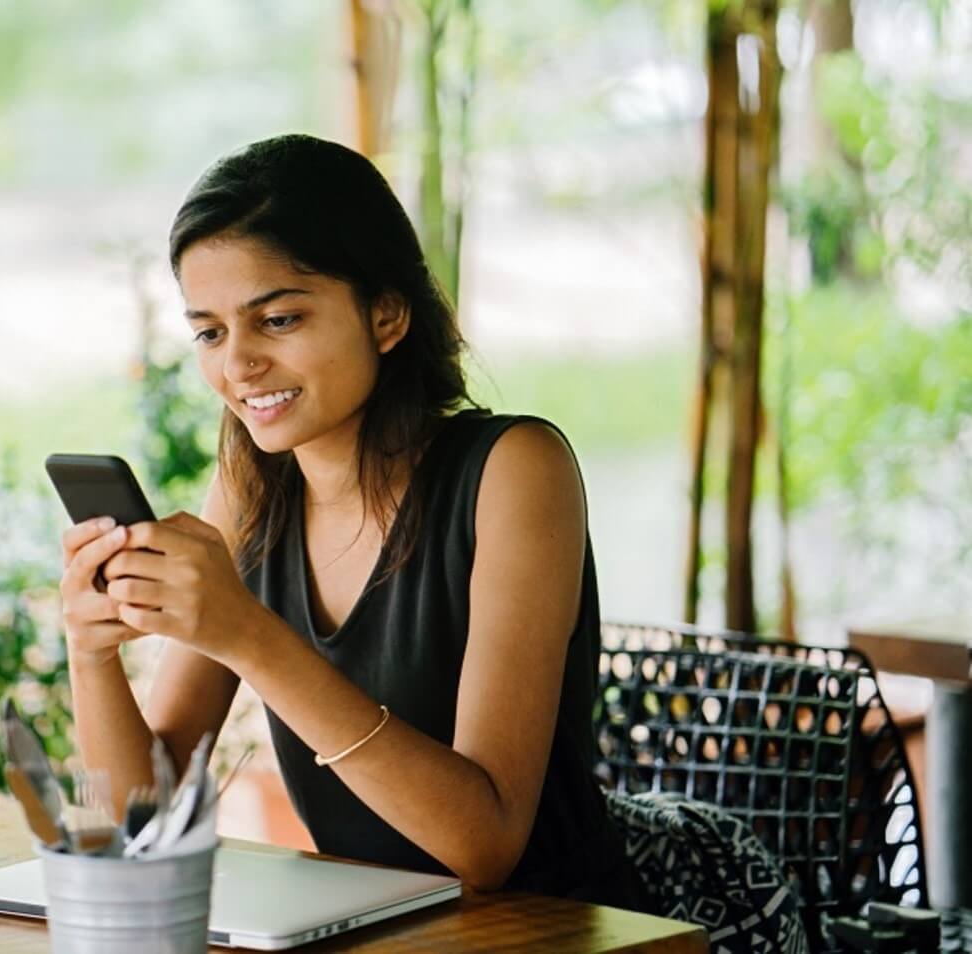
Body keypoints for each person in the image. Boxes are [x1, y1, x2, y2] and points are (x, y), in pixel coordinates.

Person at [59, 133, 647, 906]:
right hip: (368, 930)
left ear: (386, 314)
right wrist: (91, 650)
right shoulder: (252, 490)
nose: (235, 365)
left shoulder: (512, 469)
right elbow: (142, 819)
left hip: (545, 932)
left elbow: (484, 847)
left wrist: (248, 634)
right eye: (208, 331)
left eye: (277, 320)